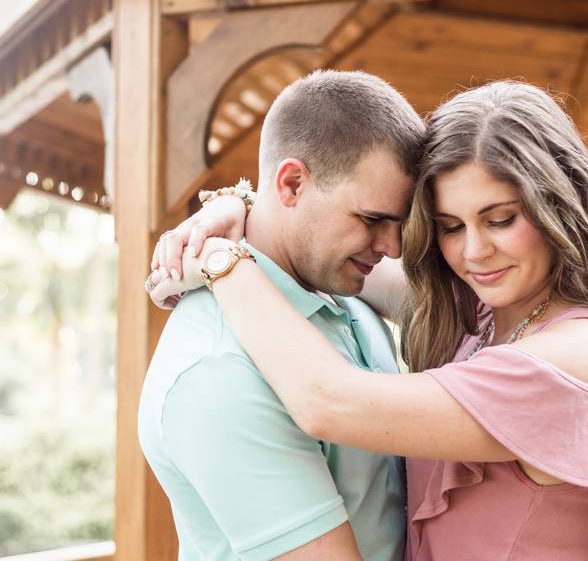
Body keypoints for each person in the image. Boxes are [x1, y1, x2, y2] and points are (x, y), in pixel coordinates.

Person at [147, 80, 588, 561]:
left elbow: (328, 400)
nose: (475, 252)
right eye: (449, 226)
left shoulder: (578, 356)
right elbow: (315, 253)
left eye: (500, 219)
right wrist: (241, 207)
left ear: (560, 205)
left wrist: (220, 260)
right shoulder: (483, 317)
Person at [138, 70, 425, 560]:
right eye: (373, 220)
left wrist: (236, 207)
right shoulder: (217, 369)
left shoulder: (346, 289)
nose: (392, 246)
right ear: (292, 184)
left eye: (402, 223)